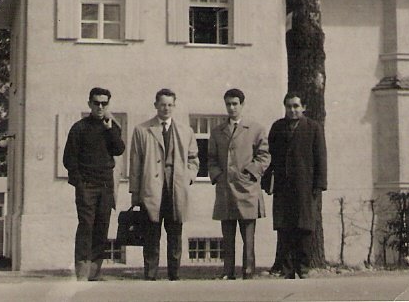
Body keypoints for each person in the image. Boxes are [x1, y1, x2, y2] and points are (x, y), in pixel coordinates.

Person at [130, 88, 198, 281]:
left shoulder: (186, 131)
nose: (166, 108)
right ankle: (150, 276)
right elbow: (135, 163)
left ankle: (174, 276)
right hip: (151, 190)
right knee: (151, 235)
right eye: (162, 104)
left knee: (175, 234)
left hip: (175, 190)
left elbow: (194, 159)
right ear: (156, 105)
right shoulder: (142, 130)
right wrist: (135, 193)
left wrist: (188, 177)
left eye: (169, 104)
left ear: (174, 106)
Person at [261, 93, 327, 279]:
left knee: (304, 228)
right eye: (289, 106)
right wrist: (267, 181)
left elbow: (321, 157)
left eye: (296, 106)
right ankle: (287, 268)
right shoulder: (277, 127)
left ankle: (303, 267)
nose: (292, 110)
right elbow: (269, 156)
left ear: (303, 107)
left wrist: (320, 184)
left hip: (306, 185)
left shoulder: (313, 128)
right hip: (283, 186)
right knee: (284, 228)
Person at [62, 87, 126, 281]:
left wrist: (109, 129)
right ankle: (81, 271)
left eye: (104, 103)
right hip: (87, 186)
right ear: (89, 104)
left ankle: (94, 272)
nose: (100, 107)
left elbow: (119, 150)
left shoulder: (111, 127)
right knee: (86, 227)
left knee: (101, 227)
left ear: (108, 105)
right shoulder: (79, 128)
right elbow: (69, 160)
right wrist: (80, 184)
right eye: (96, 103)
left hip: (106, 186)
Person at [207, 88, 271, 280]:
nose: (232, 108)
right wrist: (218, 175)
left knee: (248, 235)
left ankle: (248, 271)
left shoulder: (255, 129)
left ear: (242, 105)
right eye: (228, 104)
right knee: (228, 235)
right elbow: (210, 158)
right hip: (225, 189)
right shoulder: (218, 131)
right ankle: (228, 271)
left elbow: (264, 156)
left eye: (235, 104)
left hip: (247, 189)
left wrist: (250, 173)